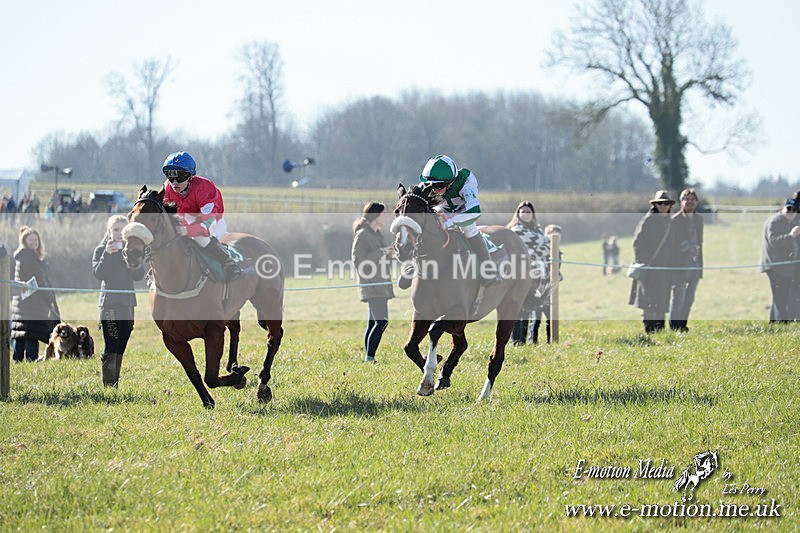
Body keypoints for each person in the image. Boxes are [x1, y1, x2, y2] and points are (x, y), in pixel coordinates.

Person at [418, 154, 500, 286]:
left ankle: (488, 269)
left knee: (469, 228)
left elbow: (474, 212)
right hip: (443, 208)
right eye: (431, 186)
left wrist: (450, 222)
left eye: (439, 187)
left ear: (450, 182)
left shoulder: (466, 182)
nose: (434, 190)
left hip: (463, 209)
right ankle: (412, 265)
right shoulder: (431, 183)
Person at [161, 150, 242, 281]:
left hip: (212, 220)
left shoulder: (205, 187)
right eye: (170, 176)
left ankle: (229, 263)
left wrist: (188, 230)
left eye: (180, 176)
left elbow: (208, 221)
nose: (174, 182)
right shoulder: (167, 188)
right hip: (185, 220)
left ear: (190, 177)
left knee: (200, 237)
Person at [93, 215, 145, 386]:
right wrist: (107, 255)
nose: (118, 233)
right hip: (109, 304)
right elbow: (99, 274)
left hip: (128, 304)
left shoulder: (129, 250)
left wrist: (133, 259)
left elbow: (138, 276)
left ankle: (114, 382)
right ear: (109, 231)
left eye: (121, 230)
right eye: (115, 229)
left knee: (121, 344)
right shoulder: (101, 250)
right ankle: (109, 385)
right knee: (112, 343)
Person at [352, 202, 395, 363]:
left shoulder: (378, 235)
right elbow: (359, 261)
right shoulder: (362, 235)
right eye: (384, 213)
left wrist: (390, 253)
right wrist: (382, 252)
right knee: (382, 322)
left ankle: (368, 358)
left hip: (382, 284)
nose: (386, 217)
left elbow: (380, 258)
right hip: (372, 285)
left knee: (373, 323)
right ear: (376, 216)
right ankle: (369, 359)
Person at [10, 226, 59, 362]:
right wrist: (50, 298)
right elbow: (39, 282)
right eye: (31, 240)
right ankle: (31, 362)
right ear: (24, 241)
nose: (34, 243)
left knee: (20, 334)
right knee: (31, 334)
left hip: (22, 303)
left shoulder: (24, 257)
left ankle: (18, 361)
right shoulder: (29, 258)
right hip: (31, 305)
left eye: (36, 240)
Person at [629, 190, 675, 334]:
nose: (663, 205)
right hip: (650, 268)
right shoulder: (648, 220)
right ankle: (649, 332)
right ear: (655, 205)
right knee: (649, 301)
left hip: (665, 268)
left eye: (666, 203)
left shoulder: (670, 221)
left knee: (662, 299)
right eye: (660, 203)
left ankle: (660, 332)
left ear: (669, 206)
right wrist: (645, 262)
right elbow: (638, 243)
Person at [507, 201, 550, 346]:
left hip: (538, 274)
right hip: (520, 273)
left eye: (528, 211)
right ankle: (517, 341)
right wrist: (542, 244)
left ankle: (524, 341)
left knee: (528, 307)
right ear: (518, 213)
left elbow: (548, 247)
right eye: (523, 211)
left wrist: (540, 245)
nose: (526, 214)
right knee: (517, 307)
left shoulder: (537, 229)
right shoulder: (516, 230)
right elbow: (540, 243)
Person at [758, 197, 800, 322]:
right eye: (789, 208)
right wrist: (791, 235)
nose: (791, 211)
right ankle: (782, 325)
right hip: (775, 266)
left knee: (780, 297)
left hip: (784, 267)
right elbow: (774, 241)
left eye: (794, 209)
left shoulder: (788, 221)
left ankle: (774, 323)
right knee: (781, 298)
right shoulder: (775, 221)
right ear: (783, 208)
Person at [669, 189, 704, 332]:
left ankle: (683, 326)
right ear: (681, 201)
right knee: (679, 297)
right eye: (686, 199)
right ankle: (674, 327)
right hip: (680, 266)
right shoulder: (675, 220)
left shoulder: (699, 219)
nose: (689, 202)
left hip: (696, 263)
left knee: (690, 298)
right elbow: (671, 245)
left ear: (696, 202)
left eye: (692, 199)